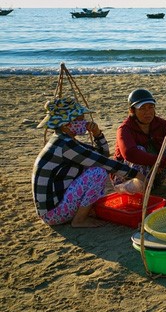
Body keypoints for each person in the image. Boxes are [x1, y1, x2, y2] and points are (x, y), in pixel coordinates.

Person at [33, 97, 144, 227]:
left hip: (53, 209)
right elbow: (103, 162)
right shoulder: (65, 145)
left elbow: (100, 154)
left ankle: (82, 213)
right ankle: (79, 220)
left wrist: (97, 134)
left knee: (94, 168)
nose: (84, 122)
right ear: (66, 125)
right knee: (98, 173)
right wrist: (135, 174)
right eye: (80, 119)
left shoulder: (63, 140)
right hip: (53, 214)